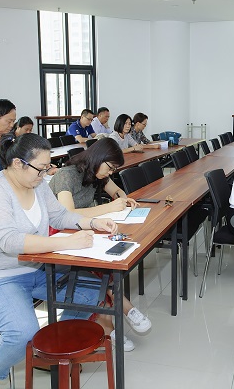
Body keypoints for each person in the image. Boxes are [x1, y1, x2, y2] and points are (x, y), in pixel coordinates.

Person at [0, 133, 118, 389]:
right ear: (18, 163)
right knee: (22, 333)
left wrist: (93, 223)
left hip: (32, 268)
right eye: (41, 168)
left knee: (91, 293)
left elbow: (60, 216)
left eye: (47, 168)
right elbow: (9, 241)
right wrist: (67, 242)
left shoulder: (38, 185)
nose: (45, 174)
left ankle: (49, 352)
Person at [49, 138, 151, 351]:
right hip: (59, 238)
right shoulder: (66, 175)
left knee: (108, 264)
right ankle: (124, 314)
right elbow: (67, 214)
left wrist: (123, 199)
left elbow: (117, 192)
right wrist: (109, 208)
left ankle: (109, 328)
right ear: (98, 158)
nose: (110, 173)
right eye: (110, 167)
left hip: (83, 231)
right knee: (101, 271)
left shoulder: (97, 174)